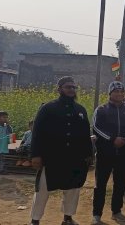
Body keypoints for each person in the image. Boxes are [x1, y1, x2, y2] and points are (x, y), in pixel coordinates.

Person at [29, 77, 93, 225]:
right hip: (51, 157)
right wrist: (36, 155)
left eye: (73, 87)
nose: (71, 90)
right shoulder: (47, 108)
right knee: (42, 191)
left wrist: (89, 154)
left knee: (73, 190)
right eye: (68, 87)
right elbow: (37, 132)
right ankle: (35, 220)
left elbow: (85, 134)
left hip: (75, 158)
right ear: (59, 89)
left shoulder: (80, 110)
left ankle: (68, 218)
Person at [91, 81, 125, 224]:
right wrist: (112, 139)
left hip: (123, 152)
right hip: (104, 152)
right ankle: (96, 215)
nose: (119, 94)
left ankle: (116, 211)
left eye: (121, 91)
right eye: (116, 91)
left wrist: (124, 138)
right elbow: (96, 127)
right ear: (110, 93)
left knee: (119, 184)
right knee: (100, 184)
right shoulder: (101, 109)